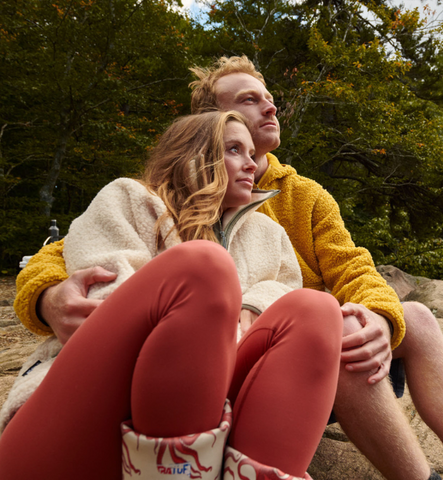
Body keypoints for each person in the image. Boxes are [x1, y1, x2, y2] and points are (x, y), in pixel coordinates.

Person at [12, 56, 443, 480]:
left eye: (271, 98)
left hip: (286, 361)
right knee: (209, 268)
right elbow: (72, 251)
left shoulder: (300, 201)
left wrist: (378, 313)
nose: (271, 108)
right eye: (249, 101)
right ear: (206, 122)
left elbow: (355, 268)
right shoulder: (140, 197)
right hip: (173, 364)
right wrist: (47, 293)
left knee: (384, 317)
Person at [0, 111, 344, 480]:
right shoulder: (129, 198)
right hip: (87, 417)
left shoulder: (270, 235)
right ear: (195, 155)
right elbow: (104, 295)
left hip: (218, 425)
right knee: (205, 267)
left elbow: (288, 289)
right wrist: (208, 317)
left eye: (250, 152)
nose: (250, 163)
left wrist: (252, 305)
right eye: (233, 150)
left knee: (318, 309)